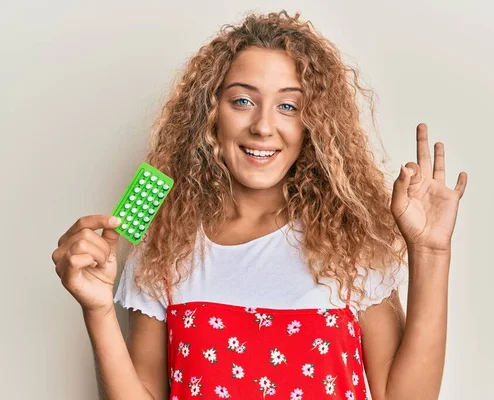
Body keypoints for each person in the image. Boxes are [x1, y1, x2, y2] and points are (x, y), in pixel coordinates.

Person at [51, 10, 467, 400]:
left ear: (313, 125)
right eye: (242, 101)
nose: (264, 126)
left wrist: (431, 253)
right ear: (210, 114)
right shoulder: (164, 246)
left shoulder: (351, 240)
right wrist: (99, 309)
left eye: (289, 106)